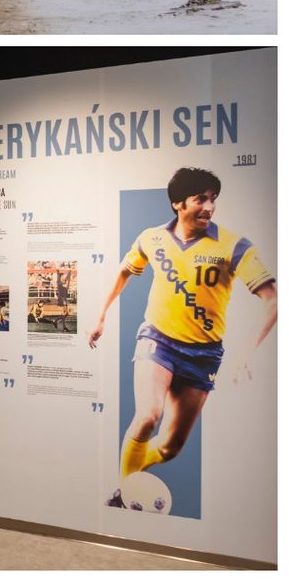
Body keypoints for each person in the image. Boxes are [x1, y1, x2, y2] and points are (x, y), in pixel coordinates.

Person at [88, 167, 276, 494]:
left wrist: (247, 349)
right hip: (157, 340)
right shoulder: (152, 238)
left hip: (204, 354)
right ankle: (123, 492)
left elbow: (273, 300)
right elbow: (124, 271)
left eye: (213, 199)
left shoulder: (234, 246)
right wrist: (101, 316)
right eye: (200, 198)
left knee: (169, 448)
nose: (209, 206)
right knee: (148, 416)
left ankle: (131, 475)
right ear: (178, 203)